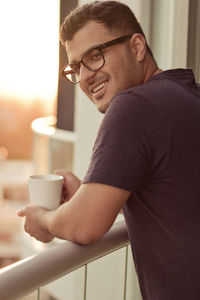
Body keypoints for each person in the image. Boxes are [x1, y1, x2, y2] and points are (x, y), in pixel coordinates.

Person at [17, 1, 200, 299]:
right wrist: (87, 199)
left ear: (137, 47)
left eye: (95, 56)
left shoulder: (134, 106)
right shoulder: (187, 95)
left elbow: (85, 226)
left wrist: (43, 220)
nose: (86, 76)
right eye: (76, 67)